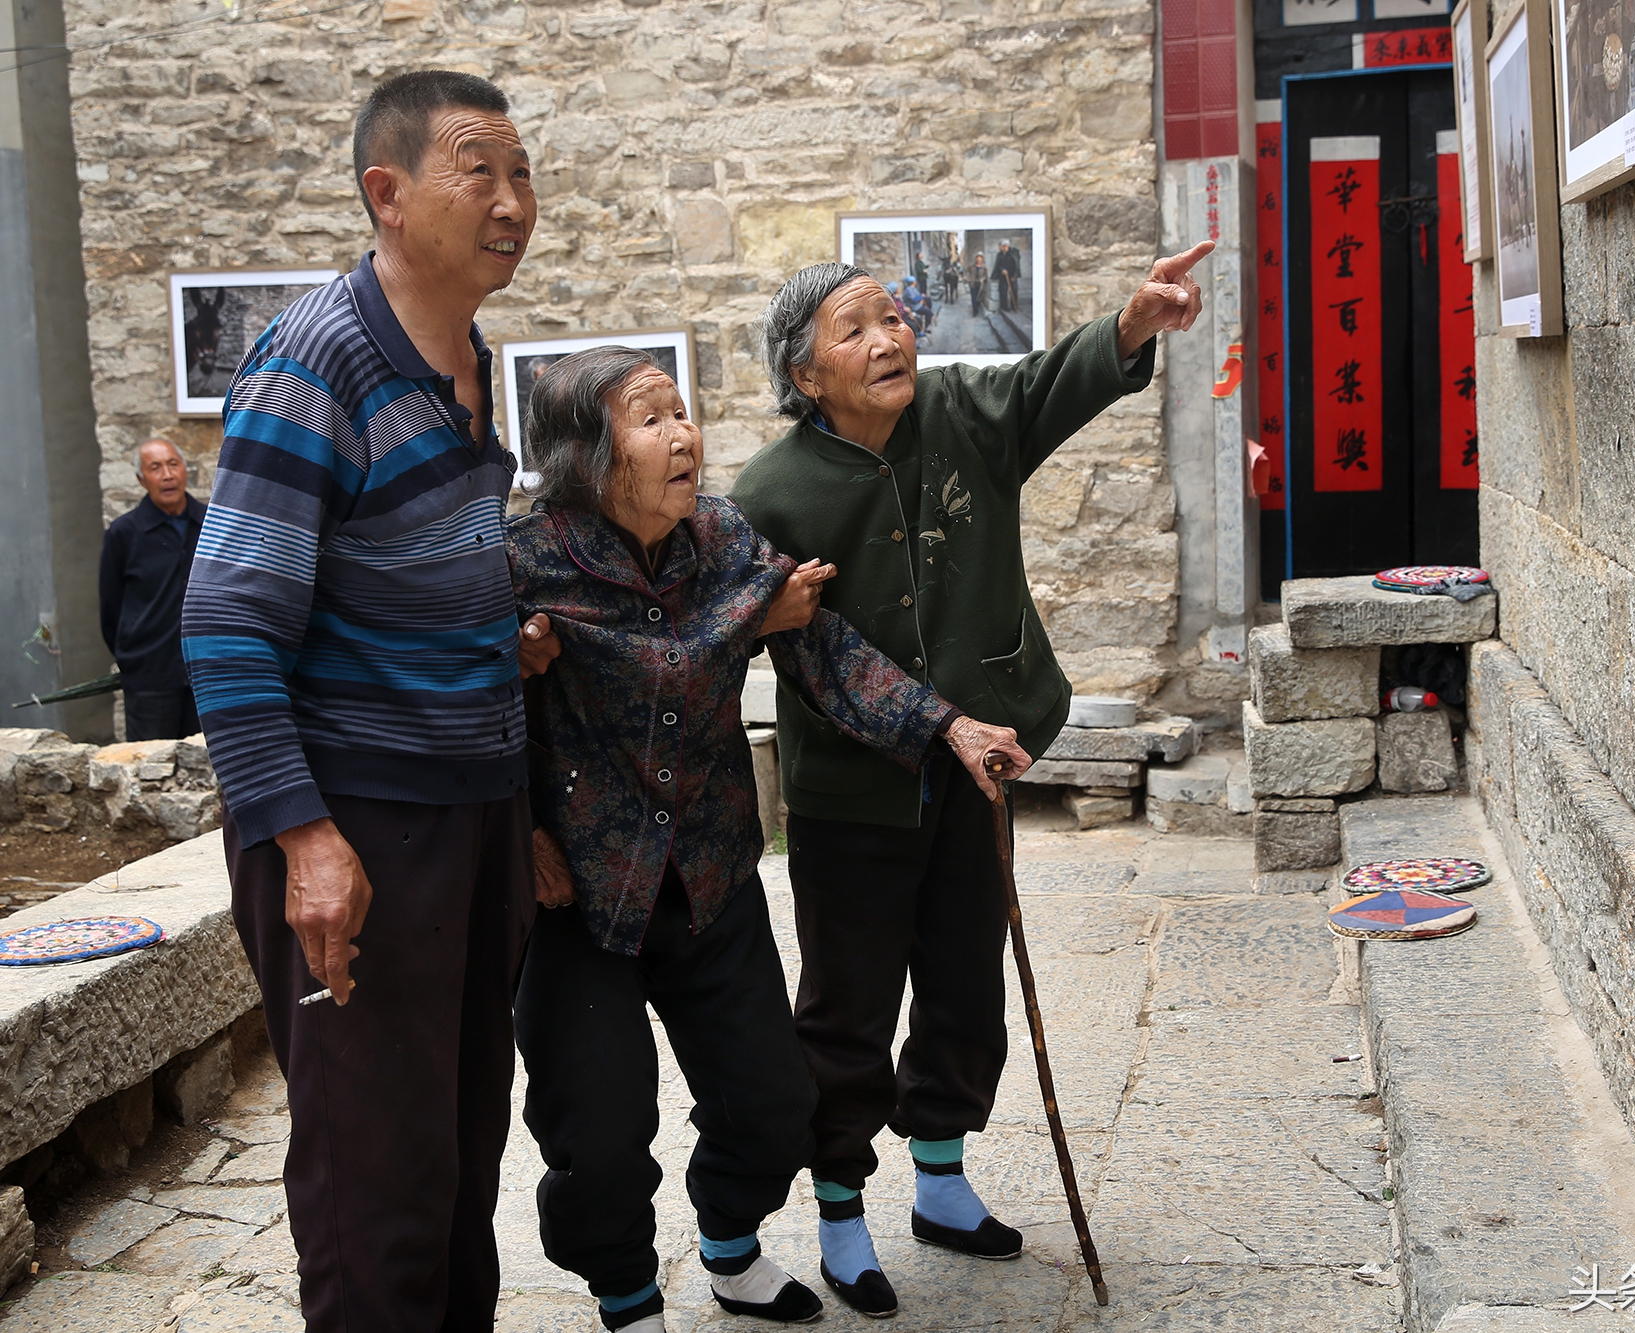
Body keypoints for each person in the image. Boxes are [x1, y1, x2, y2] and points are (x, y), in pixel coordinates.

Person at [727, 241, 1212, 1317]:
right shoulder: (768, 493)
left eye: (893, 317)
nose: (889, 338)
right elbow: (774, 642)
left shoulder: (963, 412)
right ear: (804, 375)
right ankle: (842, 1212)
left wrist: (1128, 326)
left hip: (978, 763)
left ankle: (940, 1183)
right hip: (852, 794)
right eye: (853, 330)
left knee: (961, 982)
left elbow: (1049, 382)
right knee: (847, 1008)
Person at [507, 346, 1029, 1331]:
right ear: (585, 451)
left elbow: (823, 647)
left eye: (682, 412)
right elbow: (468, 709)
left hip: (706, 871)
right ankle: (625, 1295)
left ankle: (730, 1250)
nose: (683, 435)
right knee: (598, 1125)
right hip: (576, 889)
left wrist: (948, 728)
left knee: (773, 1099)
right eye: (650, 417)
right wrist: (517, 830)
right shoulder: (523, 563)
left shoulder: (719, 537)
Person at [181, 69, 554, 1332]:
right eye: (478, 171)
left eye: (521, 173)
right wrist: (306, 840)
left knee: (454, 1155)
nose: (512, 202)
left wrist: (497, 638)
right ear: (385, 195)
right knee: (374, 1184)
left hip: (468, 811)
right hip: (360, 822)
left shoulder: (463, 355)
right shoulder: (316, 358)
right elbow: (227, 623)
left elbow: (385, 570)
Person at [99, 436, 205, 741]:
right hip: (151, 680)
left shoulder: (212, 523)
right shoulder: (124, 533)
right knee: (151, 769)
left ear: (185, 470)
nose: (168, 475)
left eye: (173, 464)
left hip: (206, 673)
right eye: (155, 468)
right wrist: (133, 659)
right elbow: (110, 609)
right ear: (141, 480)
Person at [992, 239, 1021, 312]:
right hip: (1003, 276)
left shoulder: (1014, 252)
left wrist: (1014, 276)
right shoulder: (1000, 255)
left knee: (1014, 290)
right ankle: (1004, 306)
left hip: (1012, 275)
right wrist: (1002, 270)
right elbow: (998, 265)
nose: (999, 248)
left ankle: (1014, 306)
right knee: (1003, 291)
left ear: (1005, 246)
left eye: (1000, 246)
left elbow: (1016, 264)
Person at [968, 252, 987, 316]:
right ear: (976, 259)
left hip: (980, 285)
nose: (979, 261)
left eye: (980, 259)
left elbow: (986, 275)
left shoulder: (984, 267)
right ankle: (975, 311)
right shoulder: (971, 266)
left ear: (982, 259)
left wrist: (983, 278)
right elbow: (966, 272)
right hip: (973, 283)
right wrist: (966, 277)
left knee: (978, 298)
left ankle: (977, 307)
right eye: (978, 259)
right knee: (973, 298)